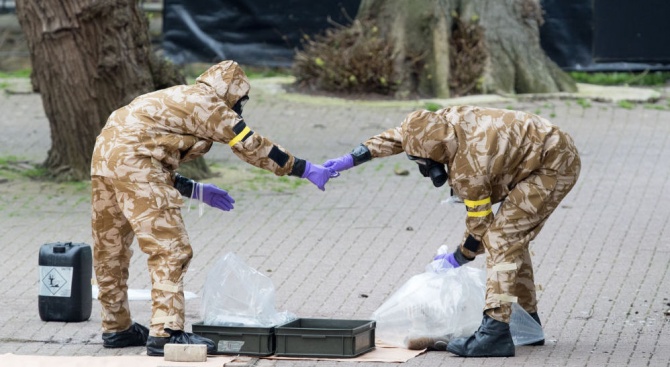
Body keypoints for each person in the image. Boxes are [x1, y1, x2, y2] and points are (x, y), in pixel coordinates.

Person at [90, 60, 336, 356]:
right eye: (240, 100)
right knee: (170, 249)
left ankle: (116, 328)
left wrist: (195, 189)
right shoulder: (210, 104)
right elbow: (251, 145)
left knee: (110, 248)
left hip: (103, 160)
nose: (239, 107)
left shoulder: (177, 96)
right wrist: (302, 168)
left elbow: (145, 151)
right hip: (135, 162)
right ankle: (166, 333)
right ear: (231, 92)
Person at [324, 105, 580, 357]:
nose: (425, 169)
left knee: (502, 239)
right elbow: (400, 136)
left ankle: (495, 333)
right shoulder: (436, 123)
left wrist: (458, 258)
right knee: (511, 239)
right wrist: (350, 159)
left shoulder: (470, 168)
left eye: (426, 164)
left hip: (552, 166)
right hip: (537, 149)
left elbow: (480, 227)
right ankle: (526, 324)